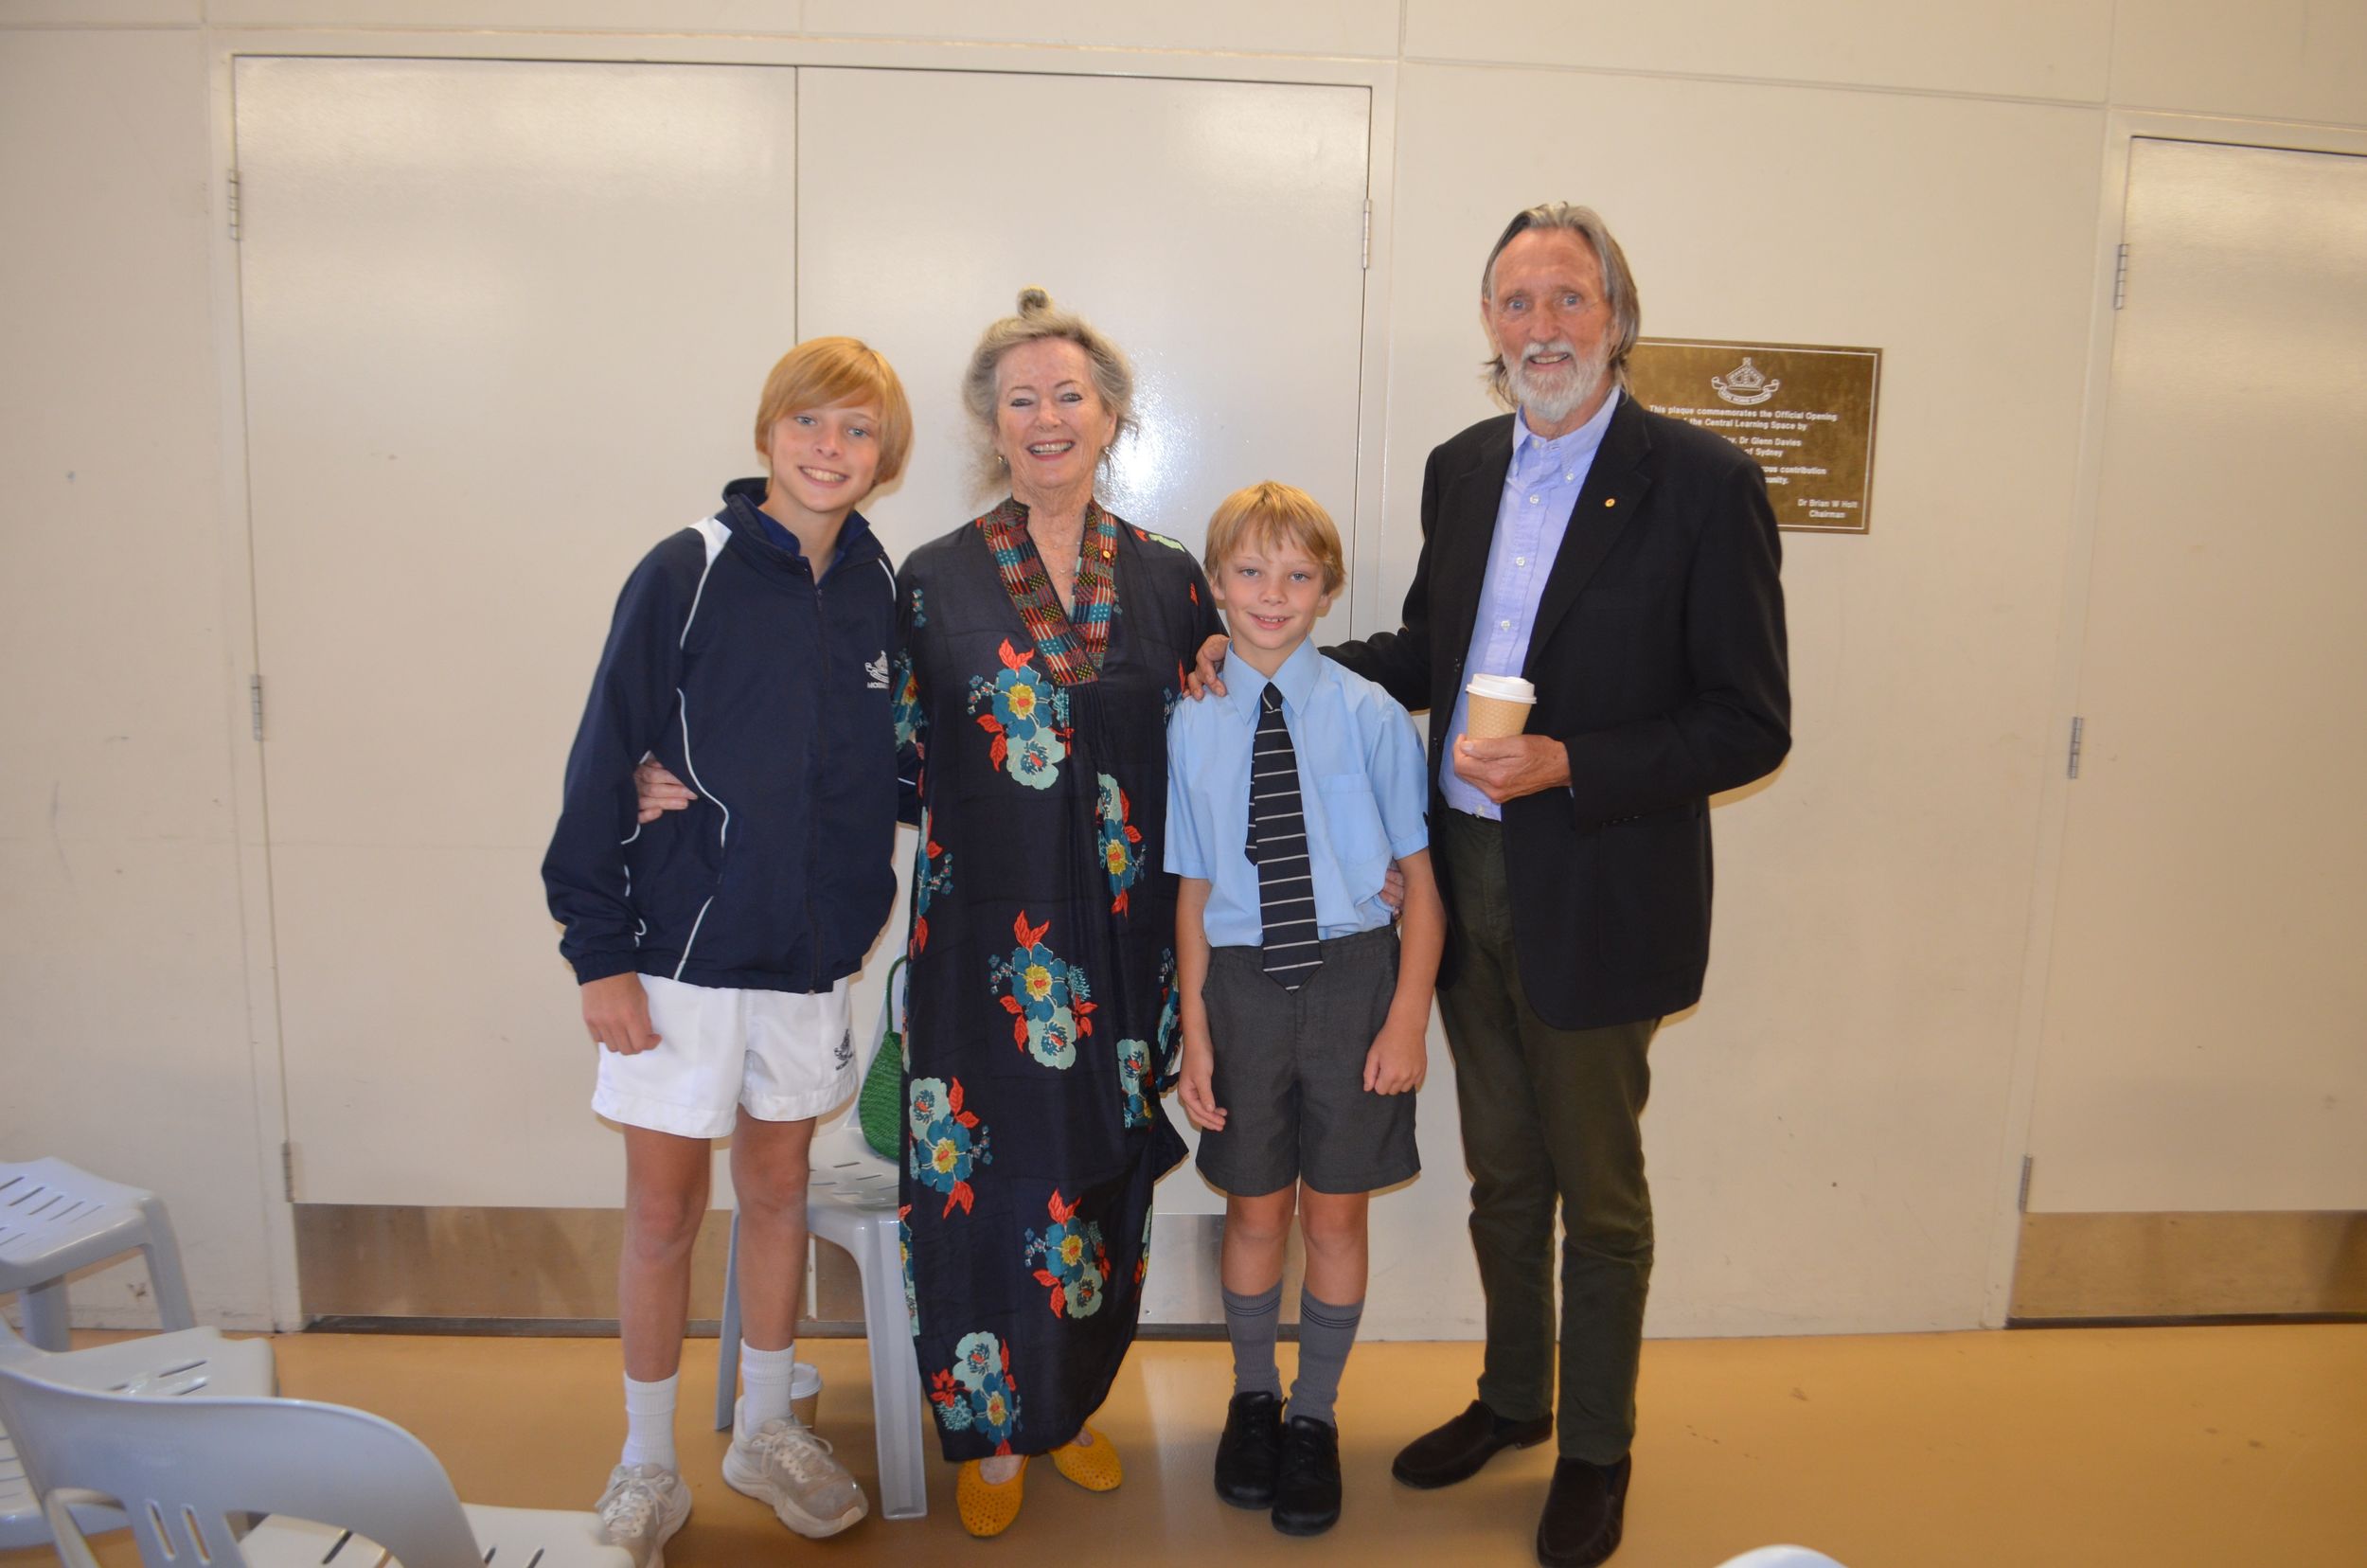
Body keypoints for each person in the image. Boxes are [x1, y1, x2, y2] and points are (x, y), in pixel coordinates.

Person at [1325, 204, 1791, 1567]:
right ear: (1489, 323)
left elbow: (1748, 723)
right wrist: (1275, 661)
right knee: (1502, 1172)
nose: (1543, 328)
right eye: (1517, 302)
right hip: (1460, 878)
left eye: (1569, 299)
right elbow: (1428, 650)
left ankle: (1595, 1447)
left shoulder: (1701, 483)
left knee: (1601, 1193)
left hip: (1601, 884)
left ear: (1617, 317)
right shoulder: (1462, 468)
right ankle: (1514, 1398)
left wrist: (1571, 763)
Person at [542, 337, 913, 1560]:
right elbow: (605, 753)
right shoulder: (686, 569)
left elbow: (894, 761)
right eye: (808, 422)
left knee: (778, 1191)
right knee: (664, 1209)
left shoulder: (879, 587)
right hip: (677, 958)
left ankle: (764, 1428)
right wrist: (597, 951)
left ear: (884, 457)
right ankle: (646, 1462)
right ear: (767, 435)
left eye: (857, 430)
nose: (829, 449)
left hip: (806, 961)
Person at [892, 287, 1237, 1538]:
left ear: (1110, 416)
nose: (1047, 417)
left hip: (1126, 946)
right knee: (977, 1182)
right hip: (978, 944)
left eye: (1069, 395)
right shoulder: (932, 579)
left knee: (1099, 1179)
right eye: (1021, 399)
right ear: (992, 424)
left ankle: (1072, 1406)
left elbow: (1214, 745)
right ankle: (992, 1430)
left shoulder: (1168, 577)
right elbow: (888, 758)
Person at [1166, 482, 1445, 1538]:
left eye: (1297, 574)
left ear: (1328, 589)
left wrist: (1407, 1017)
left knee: (1333, 1215)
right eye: (1250, 571)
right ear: (1216, 585)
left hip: (1353, 981)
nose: (1273, 593)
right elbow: (1192, 890)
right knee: (1252, 1211)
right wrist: (1196, 1032)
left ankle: (1315, 1415)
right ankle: (1253, 1399)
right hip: (1239, 987)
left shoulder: (1371, 716)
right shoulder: (1191, 720)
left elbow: (1422, 888)